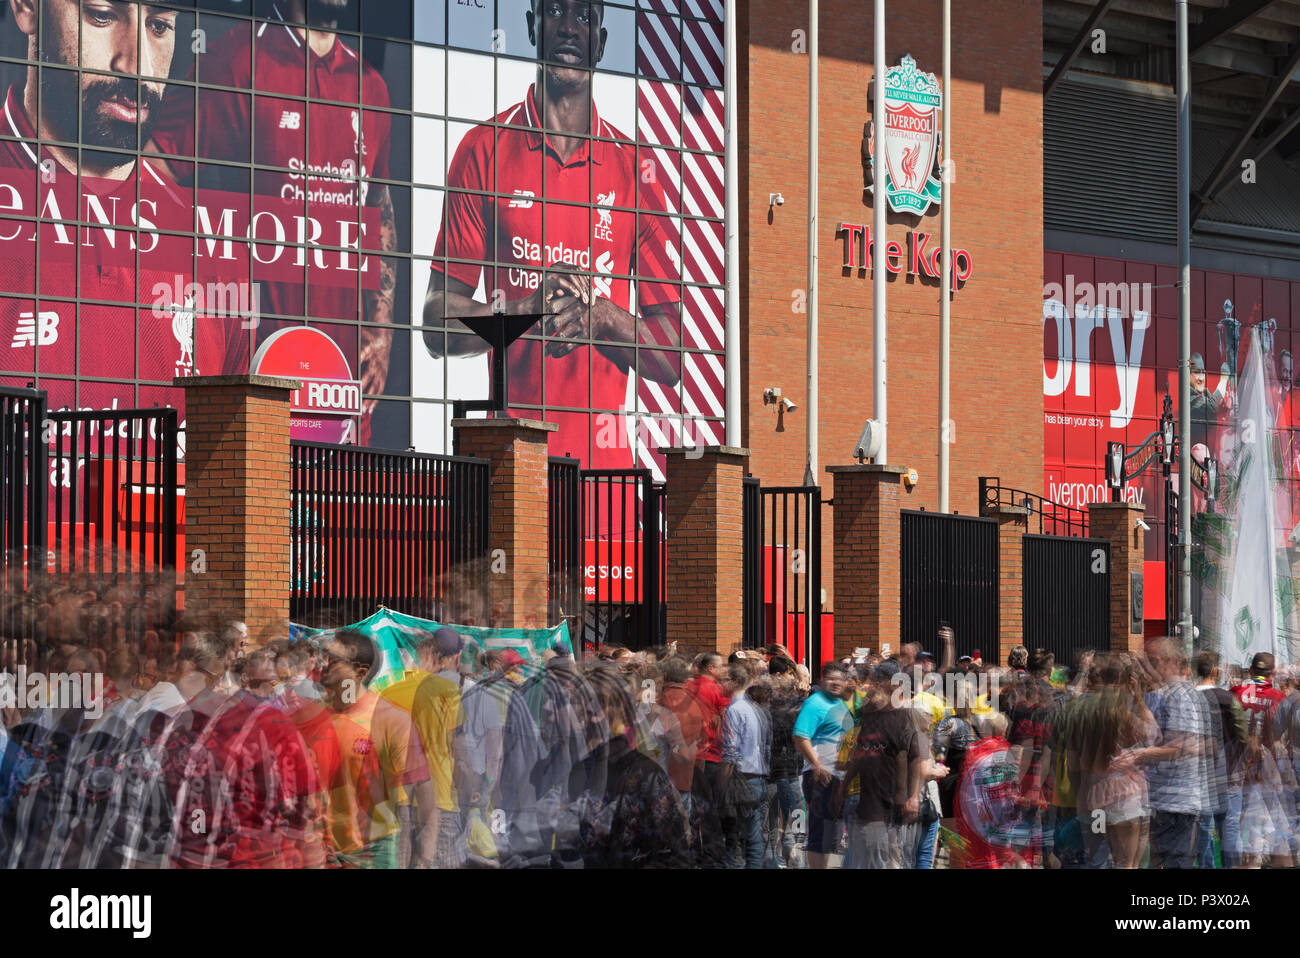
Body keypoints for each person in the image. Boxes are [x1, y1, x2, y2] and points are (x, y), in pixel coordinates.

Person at [423, 0, 682, 470]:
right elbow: (437, 326)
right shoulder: (483, 149)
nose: (567, 27)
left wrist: (602, 318)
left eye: (584, 17)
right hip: (511, 478)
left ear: (601, 43)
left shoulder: (635, 169)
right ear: (531, 27)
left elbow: (672, 356)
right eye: (554, 11)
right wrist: (526, 310)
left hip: (608, 491)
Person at [150, 0, 398, 438]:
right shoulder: (236, 61)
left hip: (339, 384)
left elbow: (377, 206)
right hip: (255, 375)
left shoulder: (370, 87)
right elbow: (152, 173)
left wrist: (380, 331)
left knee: (340, 507)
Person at [836, 664, 928, 869]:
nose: (871, 689)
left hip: (892, 801)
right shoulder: (868, 720)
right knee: (864, 858)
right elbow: (860, 755)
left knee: (883, 858)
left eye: (877, 683)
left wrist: (911, 795)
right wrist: (845, 785)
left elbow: (915, 757)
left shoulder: (903, 717)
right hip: (871, 804)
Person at [1139, 638, 1210, 869]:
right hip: (1162, 797)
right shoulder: (1159, 694)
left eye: (1153, 660)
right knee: (1163, 860)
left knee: (1176, 862)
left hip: (1177, 800)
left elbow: (1182, 745)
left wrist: (1139, 756)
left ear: (1170, 662)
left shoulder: (1180, 696)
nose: (1147, 666)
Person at [792, 663, 853, 869]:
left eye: (839, 679)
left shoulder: (842, 704)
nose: (835, 683)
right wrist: (816, 765)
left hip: (839, 778)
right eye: (830, 679)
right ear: (821, 681)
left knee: (832, 834)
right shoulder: (815, 703)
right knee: (820, 832)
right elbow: (800, 736)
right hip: (821, 776)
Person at [1195, 650, 1247, 868]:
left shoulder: (1188, 698)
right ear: (1216, 671)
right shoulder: (1229, 699)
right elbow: (1242, 735)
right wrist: (1237, 763)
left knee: (1203, 828)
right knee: (1230, 826)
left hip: (1199, 776)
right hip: (1228, 772)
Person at [721, 667, 771, 869]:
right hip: (758, 778)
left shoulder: (735, 710)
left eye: (724, 679)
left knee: (732, 837)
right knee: (753, 837)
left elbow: (730, 750)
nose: (720, 683)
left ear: (733, 681)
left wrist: (722, 784)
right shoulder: (758, 709)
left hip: (741, 779)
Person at [688, 652, 732, 868]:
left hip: (688, 755)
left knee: (693, 807)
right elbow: (726, 720)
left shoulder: (687, 686)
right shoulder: (718, 690)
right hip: (712, 754)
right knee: (711, 810)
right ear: (711, 669)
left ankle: (695, 851)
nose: (725, 670)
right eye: (722, 666)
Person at [764, 656, 806, 868]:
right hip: (786, 773)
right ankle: (793, 856)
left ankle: (779, 857)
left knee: (775, 822)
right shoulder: (796, 709)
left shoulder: (765, 708)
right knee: (793, 818)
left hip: (778, 772)